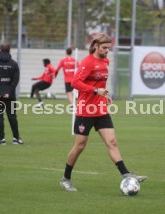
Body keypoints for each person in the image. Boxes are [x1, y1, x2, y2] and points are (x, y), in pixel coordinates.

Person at [60, 33, 147, 192]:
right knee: (80, 146)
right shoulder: (87, 63)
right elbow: (75, 82)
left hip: (100, 109)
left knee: (112, 142)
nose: (107, 51)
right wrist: (95, 90)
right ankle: (66, 178)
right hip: (85, 110)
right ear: (96, 46)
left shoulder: (105, 61)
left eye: (109, 48)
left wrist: (105, 96)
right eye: (105, 48)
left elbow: (101, 84)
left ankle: (126, 175)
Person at [0, 43, 23, 145]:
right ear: (10, 50)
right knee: (12, 116)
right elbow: (15, 80)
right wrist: (9, 92)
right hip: (10, 96)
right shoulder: (14, 64)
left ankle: (1, 139)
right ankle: (16, 138)